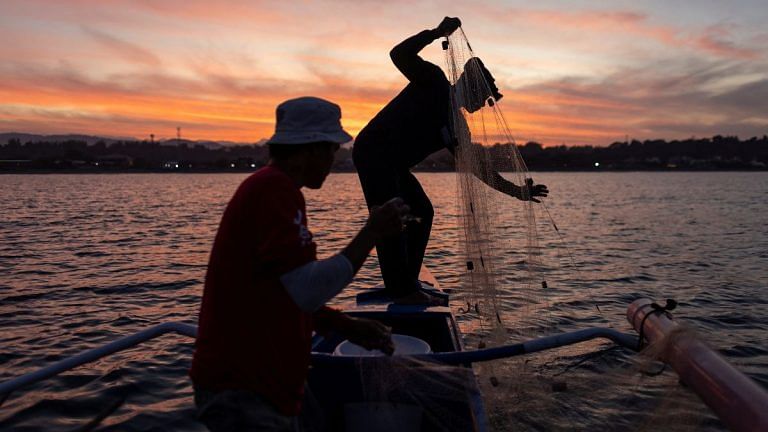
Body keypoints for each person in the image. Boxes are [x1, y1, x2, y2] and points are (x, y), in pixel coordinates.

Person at [190, 96, 409, 431]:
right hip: (244, 386)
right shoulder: (274, 190)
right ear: (310, 150)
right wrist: (372, 232)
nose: (334, 160)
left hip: (264, 381)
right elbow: (307, 289)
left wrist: (342, 325)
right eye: (332, 150)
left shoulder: (271, 188)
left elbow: (279, 290)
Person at [353, 17, 549, 305]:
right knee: (395, 217)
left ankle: (405, 281)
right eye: (484, 97)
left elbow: (478, 168)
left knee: (422, 211)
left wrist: (517, 192)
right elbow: (398, 54)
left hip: (393, 165)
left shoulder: (458, 126)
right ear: (470, 85)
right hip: (372, 153)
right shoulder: (433, 81)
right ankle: (402, 290)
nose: (484, 105)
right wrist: (435, 33)